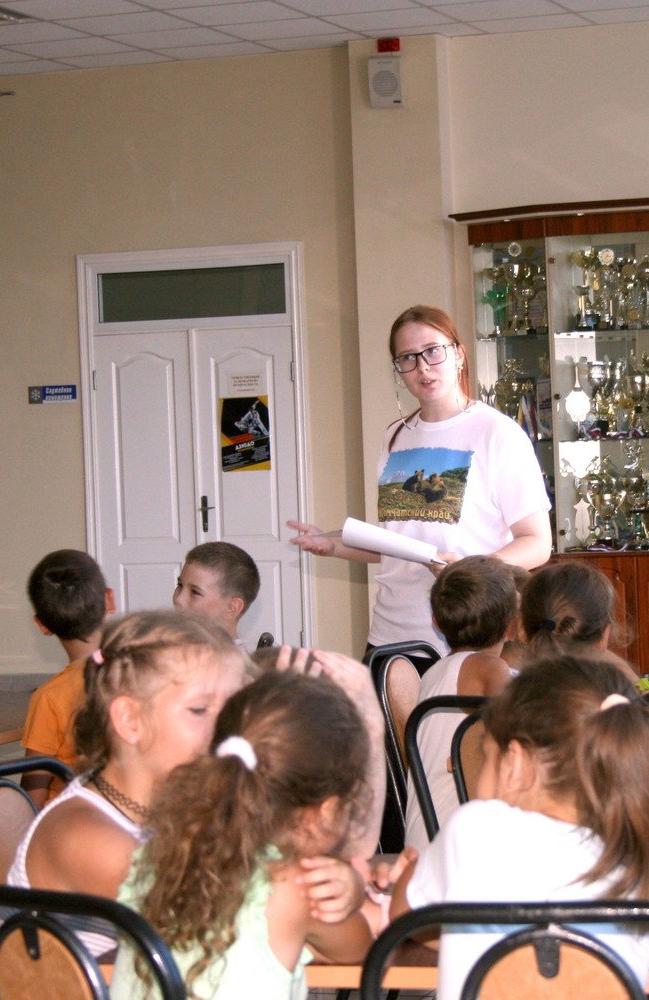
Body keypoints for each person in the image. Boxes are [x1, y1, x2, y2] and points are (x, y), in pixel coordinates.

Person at [0, 610, 252, 1000]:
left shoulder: (165, 803)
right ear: (130, 719)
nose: (225, 731)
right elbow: (216, 931)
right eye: (200, 710)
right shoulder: (88, 836)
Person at [391, 651, 649, 1000]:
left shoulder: (477, 829)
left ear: (516, 763)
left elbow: (407, 919)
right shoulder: (643, 855)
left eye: (486, 757)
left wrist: (413, 872)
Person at [287, 305, 551, 652]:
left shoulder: (498, 432)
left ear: (458, 355)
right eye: (408, 357)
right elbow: (400, 541)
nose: (423, 367)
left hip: (471, 630)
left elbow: (537, 542)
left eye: (432, 351)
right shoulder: (395, 435)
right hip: (391, 632)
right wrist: (332, 544)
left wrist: (472, 569)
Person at [110, 670, 373, 999]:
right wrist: (353, 890)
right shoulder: (295, 885)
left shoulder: (161, 856)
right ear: (326, 811)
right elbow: (357, 949)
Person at [402, 555, 517, 849]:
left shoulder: (434, 672)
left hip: (424, 836)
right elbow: (519, 728)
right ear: (511, 627)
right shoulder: (489, 669)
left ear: (436, 623)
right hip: (459, 845)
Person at [20, 548, 115, 805]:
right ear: (109, 600)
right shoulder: (145, 671)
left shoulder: (49, 698)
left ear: (42, 625)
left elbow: (34, 789)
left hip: (72, 821)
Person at [173, 541, 260, 646]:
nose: (179, 599)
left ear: (231, 607)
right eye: (180, 585)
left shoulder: (234, 656)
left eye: (195, 592)